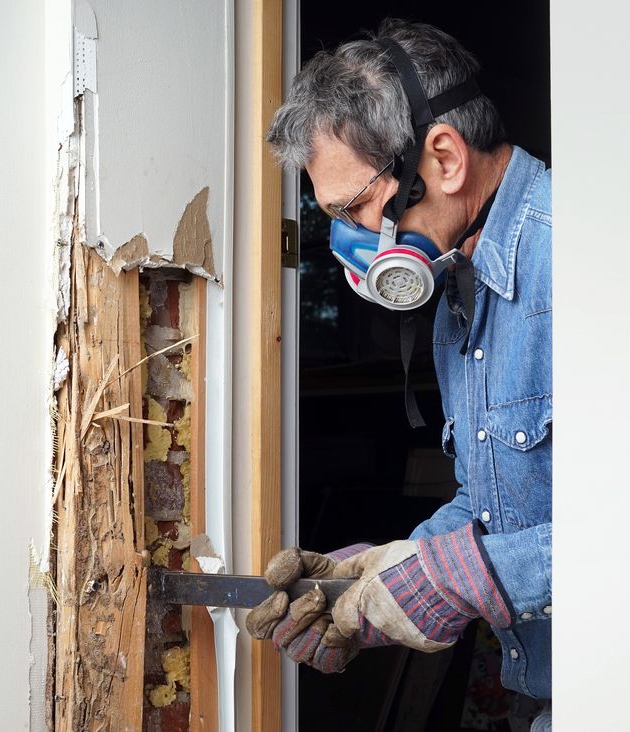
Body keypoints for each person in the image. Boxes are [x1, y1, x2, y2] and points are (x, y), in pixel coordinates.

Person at [246, 18, 552, 728]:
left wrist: (451, 581)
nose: (349, 241)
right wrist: (382, 579)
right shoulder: (459, 287)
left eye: (353, 207)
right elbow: (497, 507)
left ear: (442, 158)